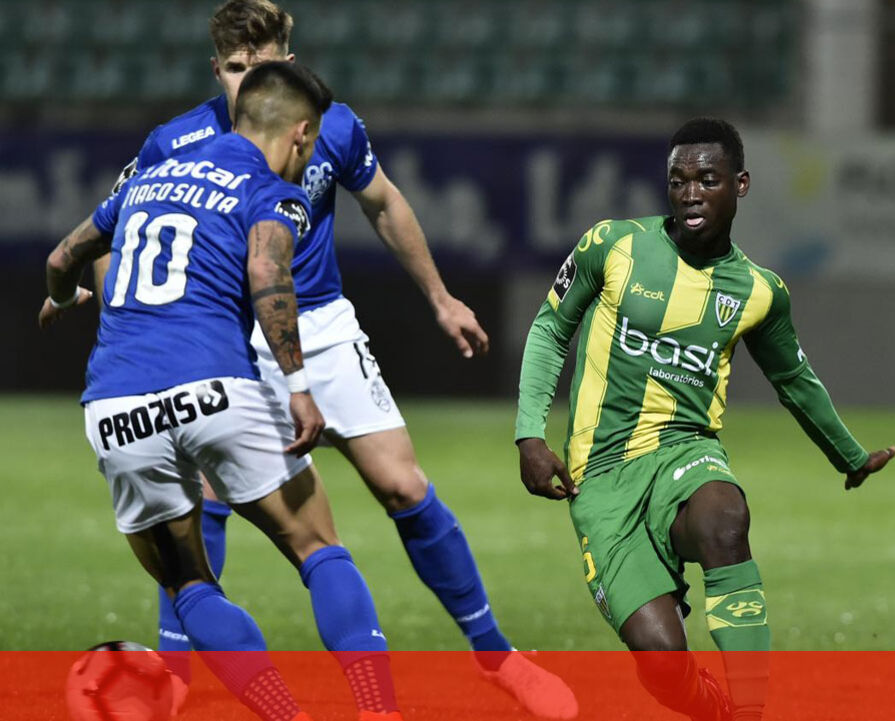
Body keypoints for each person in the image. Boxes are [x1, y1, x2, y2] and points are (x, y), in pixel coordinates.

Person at [81, 2, 575, 717]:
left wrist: (439, 297)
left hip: (320, 326)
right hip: (226, 332)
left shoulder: (330, 125)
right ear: (216, 69)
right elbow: (113, 231)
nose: (249, 78)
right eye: (235, 66)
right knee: (204, 501)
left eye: (263, 63)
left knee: (403, 484)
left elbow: (385, 203)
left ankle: (496, 656)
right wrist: (126, 319)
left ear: (289, 58)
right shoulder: (174, 141)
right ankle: (174, 676)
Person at [41, 62, 405, 721]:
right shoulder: (271, 191)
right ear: (300, 135)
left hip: (117, 406)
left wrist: (64, 299)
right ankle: (379, 711)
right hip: (214, 386)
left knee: (189, 584)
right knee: (319, 548)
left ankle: (287, 718)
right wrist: (298, 386)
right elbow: (267, 272)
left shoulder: (145, 177)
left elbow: (62, 259)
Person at [515, 117, 895, 721]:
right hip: (601, 479)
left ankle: (749, 712)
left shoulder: (759, 292)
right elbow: (549, 329)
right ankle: (717, 710)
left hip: (685, 452)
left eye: (707, 180)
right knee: (662, 662)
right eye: (679, 181)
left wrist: (849, 456)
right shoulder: (612, 245)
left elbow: (794, 380)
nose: (691, 194)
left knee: (725, 519)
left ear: (740, 185)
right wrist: (529, 435)